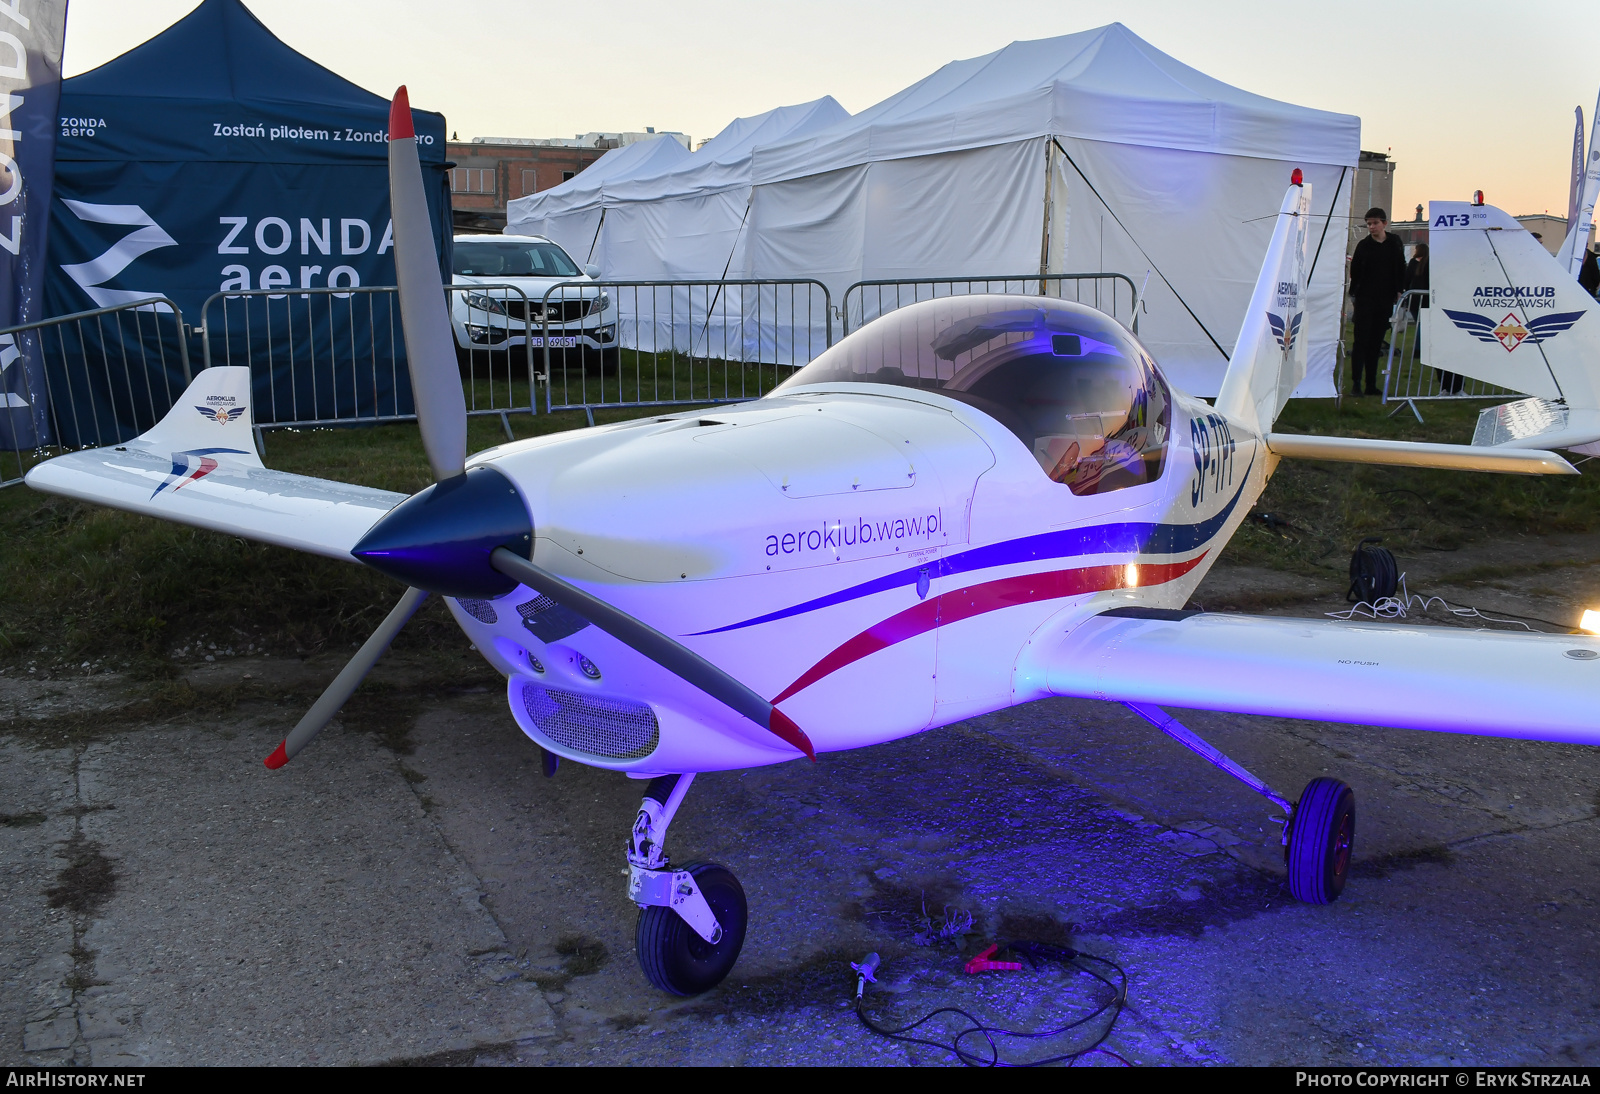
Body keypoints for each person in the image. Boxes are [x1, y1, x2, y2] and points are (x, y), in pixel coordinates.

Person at [1347, 208, 1407, 396]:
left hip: (1385, 299)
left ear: (1384, 223)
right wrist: (1355, 294)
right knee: (1361, 342)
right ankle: (1356, 383)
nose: (1371, 227)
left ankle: (1371, 383)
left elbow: (1400, 266)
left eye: (1375, 223)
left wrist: (1399, 289)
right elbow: (1355, 271)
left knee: (1376, 343)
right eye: (1369, 224)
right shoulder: (1364, 246)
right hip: (1365, 299)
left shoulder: (1394, 243)